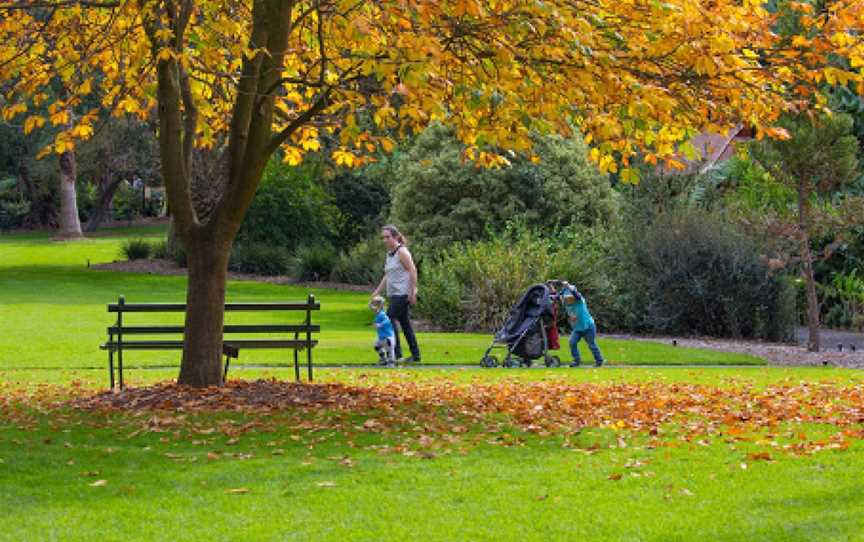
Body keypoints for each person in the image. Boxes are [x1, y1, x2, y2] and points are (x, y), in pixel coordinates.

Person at [372, 224, 421, 363]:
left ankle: (396, 354)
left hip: (403, 294)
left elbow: (413, 271)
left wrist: (412, 292)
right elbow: (387, 275)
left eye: (388, 237)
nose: (385, 240)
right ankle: (415, 355)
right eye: (383, 238)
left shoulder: (402, 252)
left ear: (396, 237)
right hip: (394, 294)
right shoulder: (389, 254)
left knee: (388, 319)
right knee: (405, 324)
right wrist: (377, 291)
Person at [559, 281, 604, 367]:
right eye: (566, 298)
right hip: (577, 328)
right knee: (572, 342)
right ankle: (576, 361)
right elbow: (558, 296)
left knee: (591, 344)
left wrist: (568, 286)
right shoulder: (567, 305)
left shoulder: (580, 301)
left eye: (570, 297)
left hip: (588, 326)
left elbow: (576, 294)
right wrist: (551, 287)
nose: (568, 299)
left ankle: (599, 361)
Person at [369, 296, 396, 366]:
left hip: (388, 336)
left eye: (374, 304)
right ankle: (383, 359)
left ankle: (391, 362)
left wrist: (380, 324)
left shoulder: (382, 314)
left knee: (389, 348)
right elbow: (371, 307)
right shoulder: (378, 315)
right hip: (381, 336)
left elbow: (387, 320)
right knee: (377, 346)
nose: (372, 308)